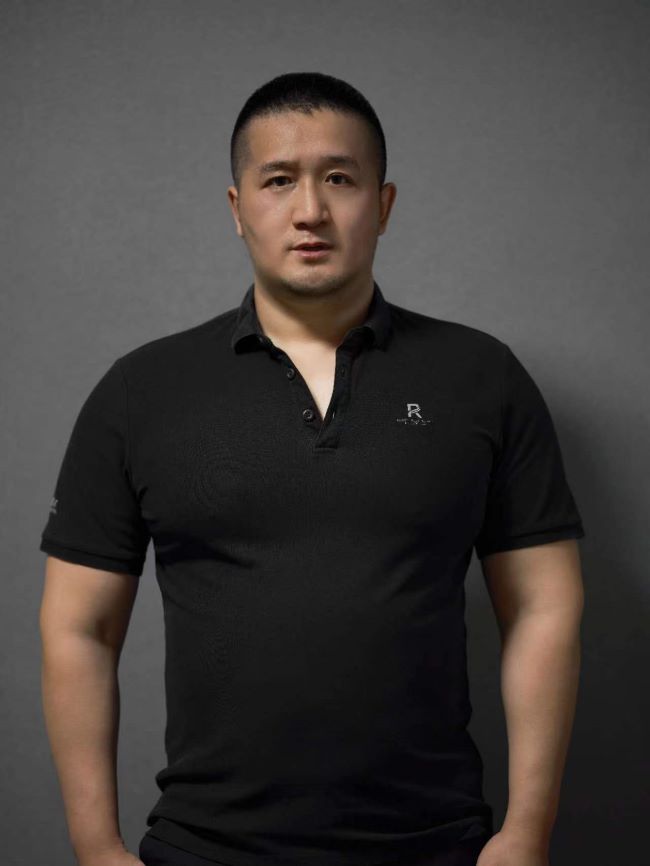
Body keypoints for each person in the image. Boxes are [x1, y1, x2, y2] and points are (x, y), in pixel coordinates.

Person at [39, 72, 586, 866]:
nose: (309, 211)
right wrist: (96, 849)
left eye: (338, 179)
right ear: (237, 208)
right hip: (202, 849)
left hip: (435, 846)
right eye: (278, 181)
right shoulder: (140, 391)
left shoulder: (482, 378)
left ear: (383, 204)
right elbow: (78, 628)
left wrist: (527, 834)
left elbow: (544, 605)